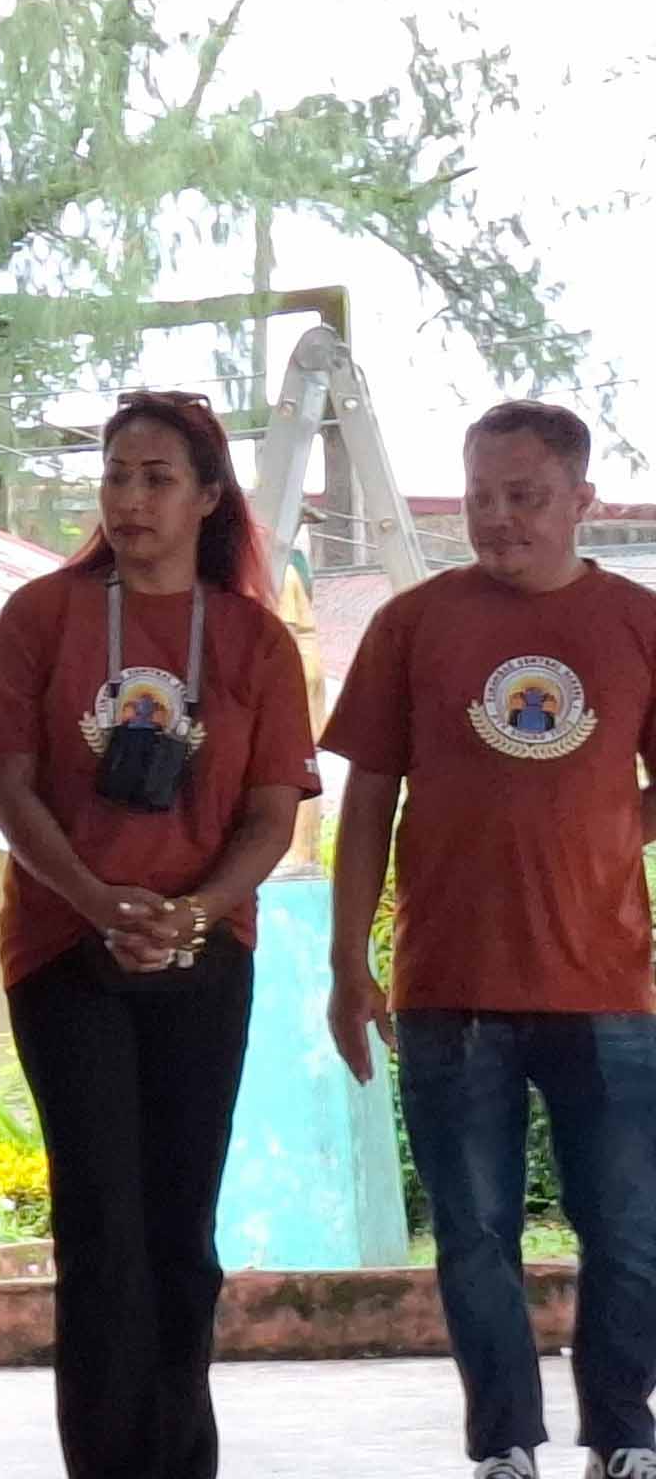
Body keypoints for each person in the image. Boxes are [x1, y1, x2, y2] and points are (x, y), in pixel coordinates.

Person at [0, 389, 318, 1479]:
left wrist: (192, 913)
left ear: (207, 497)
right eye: (116, 475)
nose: (129, 498)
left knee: (179, 1232)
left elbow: (270, 815)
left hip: (205, 951)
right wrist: (91, 898)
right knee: (102, 1229)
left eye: (157, 478)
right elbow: (8, 788)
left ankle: (179, 1459)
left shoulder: (254, 638)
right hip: (63, 951)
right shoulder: (44, 615)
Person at [323, 400, 656, 1479]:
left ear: (581, 502)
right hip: (447, 985)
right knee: (473, 1234)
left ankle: (624, 1432)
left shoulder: (638, 622)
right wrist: (346, 960)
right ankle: (503, 1442)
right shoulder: (412, 624)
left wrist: (609, 823)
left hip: (606, 984)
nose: (498, 518)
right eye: (480, 497)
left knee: (630, 1232)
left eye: (525, 497)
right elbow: (366, 795)